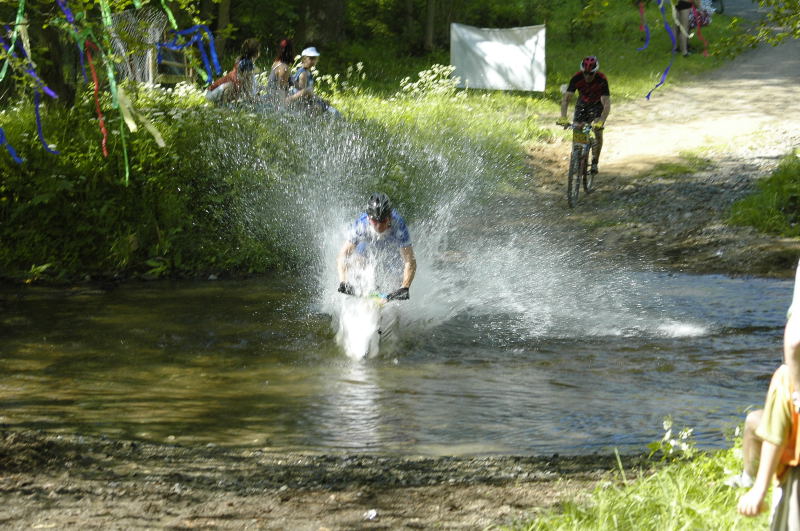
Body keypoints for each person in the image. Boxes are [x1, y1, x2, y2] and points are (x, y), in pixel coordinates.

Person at [735, 260, 800, 527]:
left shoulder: (786, 381)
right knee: (753, 421)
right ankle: (747, 478)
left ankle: (750, 480)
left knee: (755, 422)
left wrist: (760, 490)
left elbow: (795, 339)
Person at [337, 193, 416, 301]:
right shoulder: (361, 225)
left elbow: (409, 261)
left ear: (389, 218)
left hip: (391, 249)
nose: (379, 226)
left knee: (397, 278)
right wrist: (343, 281)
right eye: (375, 221)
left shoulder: (399, 225)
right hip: (366, 247)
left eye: (383, 221)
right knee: (358, 262)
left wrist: (405, 287)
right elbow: (344, 254)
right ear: (369, 218)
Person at [557, 55, 611, 176]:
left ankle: (595, 161)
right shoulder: (576, 78)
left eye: (590, 74)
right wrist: (563, 117)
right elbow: (566, 99)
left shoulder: (602, 79)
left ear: (595, 72)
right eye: (585, 73)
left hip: (597, 105)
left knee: (598, 132)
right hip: (582, 104)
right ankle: (576, 157)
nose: (587, 76)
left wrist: (601, 121)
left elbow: (606, 102)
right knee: (577, 129)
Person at [206, 38, 261, 104]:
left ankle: (226, 105)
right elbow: (248, 87)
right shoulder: (245, 65)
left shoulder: (243, 62)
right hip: (212, 93)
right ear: (257, 53)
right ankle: (224, 108)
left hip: (213, 92)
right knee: (230, 86)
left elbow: (250, 88)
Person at [287, 46, 338, 115]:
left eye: (315, 59)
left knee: (324, 106)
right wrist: (320, 100)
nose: (313, 61)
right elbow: (303, 94)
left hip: (306, 100)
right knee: (319, 107)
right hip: (297, 103)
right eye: (311, 58)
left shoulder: (308, 73)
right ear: (304, 59)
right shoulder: (303, 74)